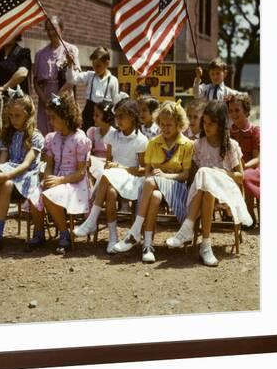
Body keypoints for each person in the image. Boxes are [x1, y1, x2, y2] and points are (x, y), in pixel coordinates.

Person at [166, 101, 253, 266]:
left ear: (220, 124)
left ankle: (187, 227)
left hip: (226, 192)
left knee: (206, 173)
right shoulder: (198, 145)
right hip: (205, 193)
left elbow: (240, 176)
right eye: (204, 122)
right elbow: (193, 175)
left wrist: (219, 172)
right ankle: (205, 246)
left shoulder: (230, 145)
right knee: (205, 183)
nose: (207, 126)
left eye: (211, 123)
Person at [113, 101, 194, 263]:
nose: (165, 128)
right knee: (155, 195)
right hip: (154, 188)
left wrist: (165, 176)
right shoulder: (153, 143)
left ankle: (135, 231)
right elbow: (148, 172)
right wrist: (158, 178)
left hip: (176, 189)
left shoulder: (187, 144)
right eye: (162, 124)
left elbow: (185, 175)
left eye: (169, 125)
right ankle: (148, 245)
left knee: (150, 183)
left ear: (179, 124)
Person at [73, 98, 148, 253]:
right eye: (116, 116)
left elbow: (143, 170)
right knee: (110, 192)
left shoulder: (141, 140)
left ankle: (91, 220)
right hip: (113, 179)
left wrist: (121, 167)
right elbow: (108, 163)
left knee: (107, 175)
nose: (117, 120)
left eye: (121, 117)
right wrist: (113, 167)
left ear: (132, 117)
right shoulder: (112, 136)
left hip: (131, 180)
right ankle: (113, 237)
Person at [0, 92, 44, 255]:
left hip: (26, 177)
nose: (13, 120)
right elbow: (3, 160)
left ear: (28, 116)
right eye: (11, 115)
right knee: (4, 183)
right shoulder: (8, 135)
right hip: (9, 179)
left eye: (18, 116)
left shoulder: (35, 136)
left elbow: (26, 165)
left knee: (5, 180)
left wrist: (5, 174)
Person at [27, 92, 92, 254]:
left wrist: (60, 180)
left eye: (53, 117)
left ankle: (65, 234)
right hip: (56, 178)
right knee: (34, 194)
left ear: (65, 117)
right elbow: (49, 164)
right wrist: (48, 178)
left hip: (74, 182)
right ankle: (39, 233)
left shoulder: (79, 139)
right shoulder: (51, 138)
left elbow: (81, 172)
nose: (51, 121)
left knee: (50, 195)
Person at [33, 15, 80, 135]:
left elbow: (74, 78)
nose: (50, 32)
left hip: (63, 95)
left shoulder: (70, 50)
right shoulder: (40, 54)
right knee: (45, 134)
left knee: (63, 130)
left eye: (53, 28)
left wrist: (56, 98)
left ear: (61, 29)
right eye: (47, 29)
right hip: (46, 99)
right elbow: (36, 81)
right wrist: (45, 100)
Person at [66, 46, 119, 132]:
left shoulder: (113, 80)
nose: (95, 69)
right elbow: (71, 79)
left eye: (98, 66)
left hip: (105, 117)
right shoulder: (90, 76)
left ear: (107, 63)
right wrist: (69, 64)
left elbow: (115, 102)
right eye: (93, 66)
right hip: (89, 115)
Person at [227, 93, 260, 226]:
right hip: (235, 166)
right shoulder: (230, 131)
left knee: (245, 176)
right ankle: (233, 213)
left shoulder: (254, 130)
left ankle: (250, 214)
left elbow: (258, 158)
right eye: (230, 111)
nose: (233, 114)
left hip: (253, 166)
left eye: (237, 110)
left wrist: (243, 167)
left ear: (246, 111)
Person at [86, 100, 116, 188]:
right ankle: (90, 190)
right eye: (93, 115)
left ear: (106, 116)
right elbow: (87, 149)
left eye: (97, 115)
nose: (94, 118)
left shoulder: (114, 134)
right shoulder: (92, 131)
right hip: (92, 162)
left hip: (107, 163)